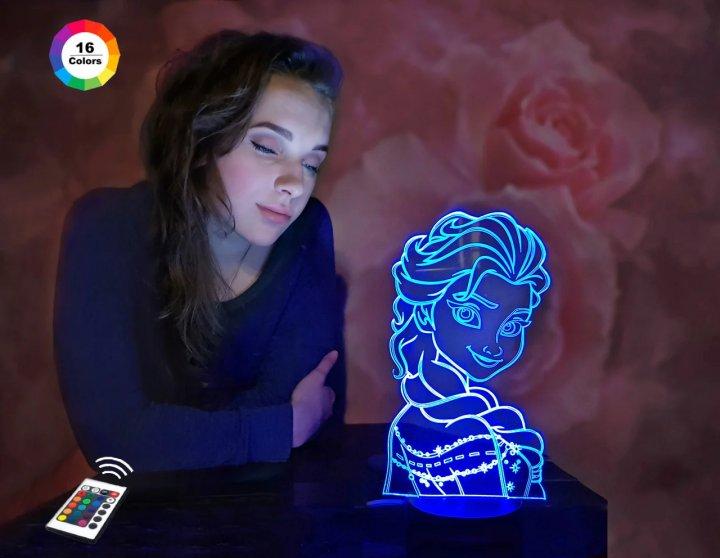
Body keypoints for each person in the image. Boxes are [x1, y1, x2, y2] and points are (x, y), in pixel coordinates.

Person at [53, 30, 345, 473]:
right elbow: (115, 442)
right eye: (267, 147)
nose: (295, 184)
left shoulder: (308, 227)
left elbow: (296, 400)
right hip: (139, 506)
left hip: (263, 500)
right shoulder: (106, 227)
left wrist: (169, 434)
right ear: (204, 141)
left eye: (311, 163)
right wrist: (281, 429)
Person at [383, 210, 550, 498]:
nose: (492, 344)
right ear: (424, 313)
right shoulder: (456, 431)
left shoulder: (473, 414)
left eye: (512, 325)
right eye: (468, 314)